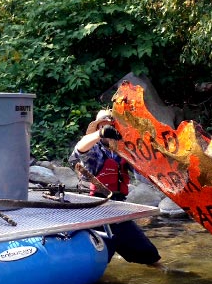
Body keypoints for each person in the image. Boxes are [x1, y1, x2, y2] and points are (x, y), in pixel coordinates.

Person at [69, 109, 161, 266]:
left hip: (117, 209)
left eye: (113, 125)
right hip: (96, 209)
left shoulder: (123, 150)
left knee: (149, 254)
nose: (111, 129)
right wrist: (102, 133)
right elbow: (79, 149)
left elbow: (142, 176)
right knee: (100, 256)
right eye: (105, 125)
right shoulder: (95, 149)